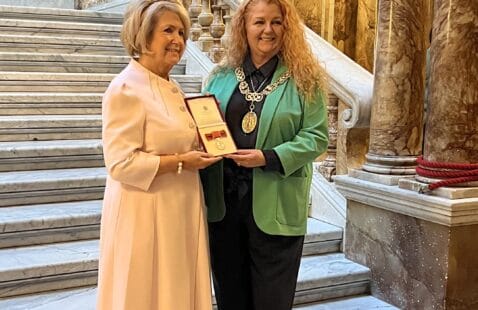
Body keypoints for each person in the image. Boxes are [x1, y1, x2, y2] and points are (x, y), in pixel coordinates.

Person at [201, 0, 329, 309]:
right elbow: (203, 128)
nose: (267, 30)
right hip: (225, 206)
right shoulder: (220, 77)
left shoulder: (305, 80)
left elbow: (317, 137)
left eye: (276, 22)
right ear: (243, 27)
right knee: (231, 298)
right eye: (259, 22)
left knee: (272, 301)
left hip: (276, 205)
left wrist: (268, 157)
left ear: (287, 29)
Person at [96, 1, 220, 309]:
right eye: (168, 30)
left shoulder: (172, 87)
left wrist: (199, 149)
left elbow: (174, 140)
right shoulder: (125, 88)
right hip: (143, 214)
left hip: (179, 208)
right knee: (144, 292)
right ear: (142, 36)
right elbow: (120, 163)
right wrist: (181, 162)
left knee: (175, 291)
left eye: (181, 32)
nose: (178, 39)